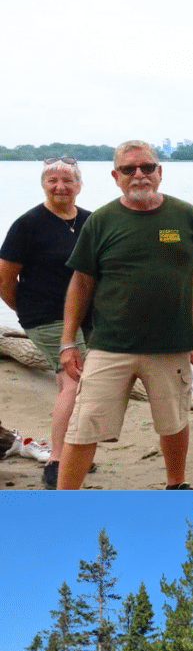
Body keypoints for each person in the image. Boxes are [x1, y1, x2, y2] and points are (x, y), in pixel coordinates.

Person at [57, 140, 193, 490]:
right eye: (130, 169)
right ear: (115, 175)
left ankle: (176, 484)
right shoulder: (101, 221)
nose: (139, 175)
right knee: (84, 423)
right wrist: (68, 342)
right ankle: (64, 498)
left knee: (174, 422)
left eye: (147, 167)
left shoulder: (186, 215)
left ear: (159, 172)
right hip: (109, 345)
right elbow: (81, 285)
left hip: (170, 345)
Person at [0, 157, 91, 489]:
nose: (60, 186)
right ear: (43, 184)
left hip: (87, 318)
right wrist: (27, 311)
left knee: (67, 381)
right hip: (48, 317)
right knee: (75, 382)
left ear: (79, 185)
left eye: (67, 180)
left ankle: (71, 453)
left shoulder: (90, 221)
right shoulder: (28, 224)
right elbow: (5, 280)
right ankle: (58, 459)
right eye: (52, 180)